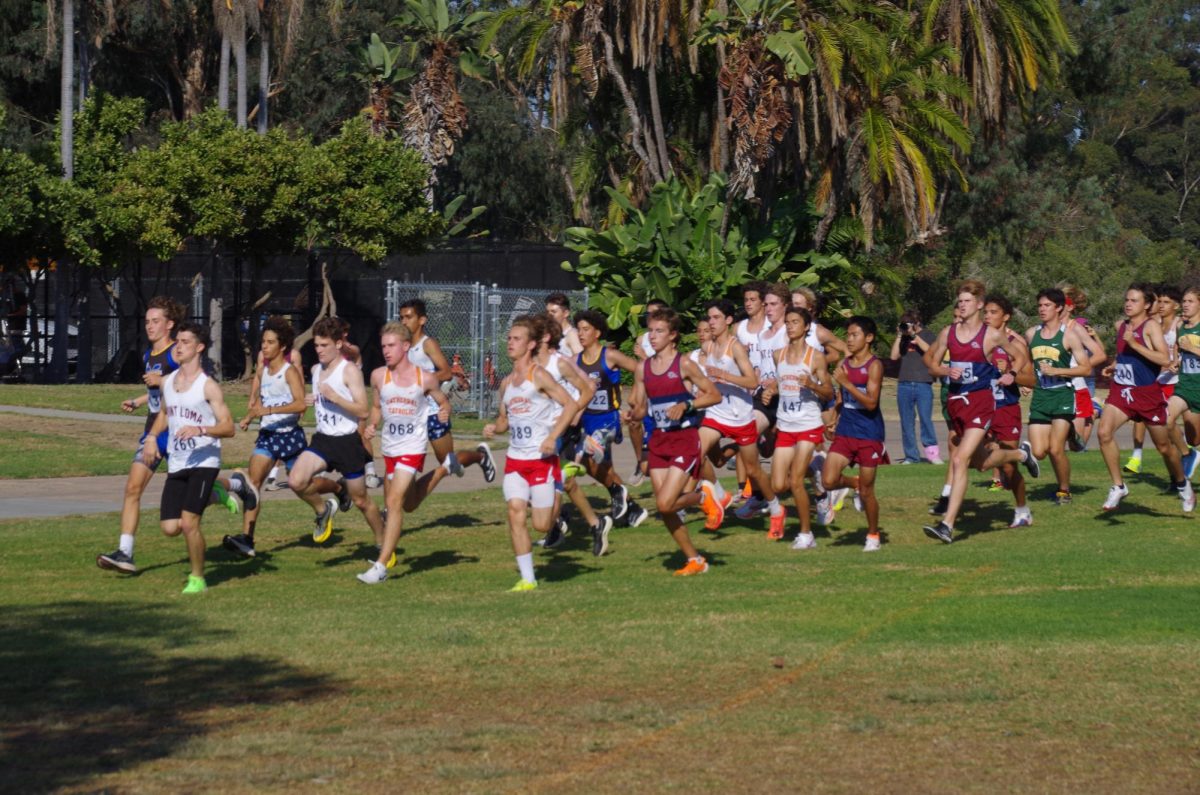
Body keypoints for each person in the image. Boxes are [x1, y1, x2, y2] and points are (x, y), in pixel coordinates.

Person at [921, 281, 1039, 543]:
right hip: (957, 403)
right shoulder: (948, 333)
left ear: (979, 305)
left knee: (959, 460)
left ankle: (947, 525)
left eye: (966, 301)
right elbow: (929, 361)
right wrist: (943, 370)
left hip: (981, 403)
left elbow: (1020, 357)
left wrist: (1010, 373)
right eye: (959, 301)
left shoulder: (991, 335)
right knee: (981, 463)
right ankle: (1021, 453)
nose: (961, 305)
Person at [139, 323, 241, 593]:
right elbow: (164, 413)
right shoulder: (169, 382)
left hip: (204, 460)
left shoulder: (208, 387)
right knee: (169, 527)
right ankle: (217, 493)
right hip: (178, 461)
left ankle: (197, 578)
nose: (179, 346)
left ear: (199, 348)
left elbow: (229, 427)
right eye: (178, 342)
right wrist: (151, 438)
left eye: (185, 342)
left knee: (188, 522)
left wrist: (201, 429)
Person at [623, 307, 723, 575]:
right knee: (666, 508)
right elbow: (642, 407)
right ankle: (695, 560)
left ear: (673, 336)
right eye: (650, 331)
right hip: (659, 441)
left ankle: (703, 495)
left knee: (666, 503)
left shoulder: (684, 364)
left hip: (685, 440)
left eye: (659, 331)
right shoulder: (643, 368)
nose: (652, 336)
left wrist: (687, 404)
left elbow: (714, 395)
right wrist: (633, 415)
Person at [483, 315, 579, 592]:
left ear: (530, 344)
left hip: (541, 461)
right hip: (515, 460)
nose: (510, 343)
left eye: (517, 339)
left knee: (541, 525)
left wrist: (552, 437)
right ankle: (528, 578)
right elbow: (505, 420)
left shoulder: (540, 375)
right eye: (509, 338)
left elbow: (570, 404)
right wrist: (495, 428)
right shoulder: (507, 383)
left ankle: (562, 478)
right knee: (514, 512)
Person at [357, 321, 455, 584]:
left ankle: (381, 566)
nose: (386, 351)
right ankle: (445, 469)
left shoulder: (425, 377)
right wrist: (373, 426)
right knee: (409, 504)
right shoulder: (378, 376)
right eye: (383, 346)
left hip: (413, 447)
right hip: (390, 448)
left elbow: (443, 402)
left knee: (393, 503)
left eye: (391, 346)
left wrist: (444, 412)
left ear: (405, 346)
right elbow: (377, 406)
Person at [98, 297, 190, 573]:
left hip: (180, 432)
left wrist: (161, 381)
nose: (150, 326)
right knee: (132, 488)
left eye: (156, 321)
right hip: (153, 431)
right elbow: (156, 392)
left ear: (169, 324)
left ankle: (232, 486)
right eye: (147, 321)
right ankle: (125, 552)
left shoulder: (177, 352)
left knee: (179, 516)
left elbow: (193, 382)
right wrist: (139, 400)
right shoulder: (148, 355)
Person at [287, 317, 386, 545]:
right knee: (296, 481)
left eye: (324, 346)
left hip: (347, 443)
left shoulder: (349, 371)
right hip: (323, 440)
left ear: (338, 344)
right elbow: (319, 399)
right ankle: (323, 510)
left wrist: (336, 398)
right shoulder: (315, 369)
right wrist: (311, 398)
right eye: (316, 346)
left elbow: (362, 410)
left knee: (361, 501)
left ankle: (383, 542)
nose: (319, 351)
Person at [1097, 284, 1194, 512]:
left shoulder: (1150, 326)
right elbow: (1125, 356)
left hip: (1147, 394)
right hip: (1122, 390)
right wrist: (1114, 366)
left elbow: (1163, 358)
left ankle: (1182, 483)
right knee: (1103, 432)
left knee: (1164, 447)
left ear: (1147, 305)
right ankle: (1118, 486)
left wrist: (1135, 343)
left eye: (1134, 300)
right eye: (1127, 300)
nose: (1128, 304)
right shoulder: (1123, 327)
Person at [223, 316, 307, 558]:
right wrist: (251, 415)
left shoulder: (289, 371)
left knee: (303, 485)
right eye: (263, 342)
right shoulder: (263, 369)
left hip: (290, 435)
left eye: (270, 342)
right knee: (253, 485)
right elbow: (263, 399)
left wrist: (268, 411)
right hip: (268, 435)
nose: (264, 346)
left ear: (282, 346)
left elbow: (301, 404)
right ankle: (247, 538)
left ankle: (336, 493)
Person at [698, 298, 782, 535]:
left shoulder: (735, 347)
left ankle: (776, 509)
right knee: (694, 453)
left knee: (754, 470)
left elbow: (752, 381)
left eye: (716, 318)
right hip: (716, 414)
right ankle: (717, 496)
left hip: (741, 416)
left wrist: (724, 375)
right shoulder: (707, 347)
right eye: (709, 318)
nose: (711, 322)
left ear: (728, 320)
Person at [572, 309, 649, 554]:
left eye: (586, 329)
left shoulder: (610, 355)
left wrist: (636, 401)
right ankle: (632, 507)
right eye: (579, 329)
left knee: (591, 455)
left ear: (597, 332)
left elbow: (641, 371)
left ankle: (620, 495)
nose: (581, 334)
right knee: (600, 468)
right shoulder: (575, 360)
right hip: (587, 419)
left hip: (608, 420)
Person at [399, 299, 497, 485]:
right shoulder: (403, 347)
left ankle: (480, 457)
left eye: (409, 317)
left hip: (434, 412)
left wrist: (422, 382)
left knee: (448, 463)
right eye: (402, 317)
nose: (404, 321)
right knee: (403, 459)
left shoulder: (427, 344)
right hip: (412, 413)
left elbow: (446, 371)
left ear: (422, 320)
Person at [762, 306, 832, 548]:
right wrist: (772, 390)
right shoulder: (777, 355)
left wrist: (812, 384)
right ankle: (817, 467)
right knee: (778, 485)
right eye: (788, 322)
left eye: (794, 322)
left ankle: (806, 534)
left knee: (795, 481)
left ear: (805, 327)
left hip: (808, 424)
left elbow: (829, 391)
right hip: (785, 424)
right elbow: (784, 383)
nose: (790, 326)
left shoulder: (816, 357)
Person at [818, 316, 886, 551]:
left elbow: (871, 403)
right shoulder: (844, 365)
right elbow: (840, 397)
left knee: (868, 492)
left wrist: (847, 384)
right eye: (848, 334)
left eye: (855, 334)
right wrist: (834, 420)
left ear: (868, 338)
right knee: (828, 481)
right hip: (846, 431)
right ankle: (853, 482)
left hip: (869, 434)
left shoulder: (874, 365)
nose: (850, 339)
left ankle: (873, 535)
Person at [1022, 288, 1094, 505]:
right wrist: (1025, 381)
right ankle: (1071, 433)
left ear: (1059, 308)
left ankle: (1064, 491)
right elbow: (1027, 363)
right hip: (1041, 397)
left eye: (1047, 306)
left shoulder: (1069, 335)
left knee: (1055, 449)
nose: (1042, 309)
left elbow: (1086, 369)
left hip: (1063, 394)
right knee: (1039, 451)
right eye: (1040, 306)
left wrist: (1058, 371)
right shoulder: (1031, 334)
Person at [984, 295, 1035, 527]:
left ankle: (1022, 511)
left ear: (1005, 316)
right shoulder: (979, 340)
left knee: (1008, 467)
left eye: (993, 312)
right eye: (985, 312)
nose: (987, 316)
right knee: (981, 458)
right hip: (982, 407)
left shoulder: (1016, 343)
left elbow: (1032, 380)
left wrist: (1012, 373)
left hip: (1006, 408)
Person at [889, 310, 940, 464]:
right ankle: (911, 456)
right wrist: (900, 336)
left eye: (910, 324)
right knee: (906, 421)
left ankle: (932, 454)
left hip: (923, 382)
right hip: (904, 383)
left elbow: (930, 351)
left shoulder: (928, 335)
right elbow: (893, 357)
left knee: (925, 419)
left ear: (917, 322)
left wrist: (913, 336)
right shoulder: (903, 338)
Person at [628, 299, 669, 485]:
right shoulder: (642, 338)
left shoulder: (668, 338)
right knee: (635, 424)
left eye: (655, 313)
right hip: (646, 395)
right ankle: (640, 461)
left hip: (664, 396)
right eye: (648, 313)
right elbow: (639, 369)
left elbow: (662, 365)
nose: (650, 317)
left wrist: (644, 358)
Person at [545, 292, 583, 357]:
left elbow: (581, 361)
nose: (549, 315)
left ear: (566, 313)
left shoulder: (571, 335)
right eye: (547, 312)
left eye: (553, 312)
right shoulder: (551, 333)